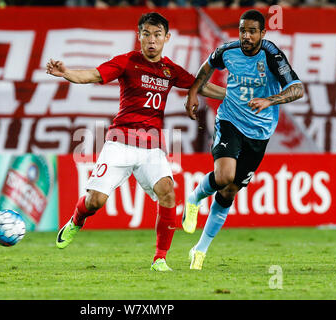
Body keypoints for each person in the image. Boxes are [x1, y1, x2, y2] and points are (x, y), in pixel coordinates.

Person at [46, 12, 225, 271]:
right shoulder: (128, 61)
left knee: (168, 193)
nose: (151, 40)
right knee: (95, 201)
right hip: (119, 143)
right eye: (146, 34)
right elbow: (93, 76)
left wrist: (235, 96)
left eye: (157, 35)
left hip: (151, 148)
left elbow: (202, 86)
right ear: (138, 35)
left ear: (167, 38)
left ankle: (159, 259)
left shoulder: (170, 70)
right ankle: (76, 220)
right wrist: (66, 73)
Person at [182, 9, 304, 270]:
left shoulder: (272, 55)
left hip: (260, 132)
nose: (246, 36)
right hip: (230, 120)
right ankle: (194, 198)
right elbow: (206, 69)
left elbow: (297, 88)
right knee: (224, 175)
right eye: (242, 30)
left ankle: (199, 250)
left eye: (251, 31)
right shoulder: (228, 50)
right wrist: (193, 93)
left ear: (262, 33)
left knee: (229, 191)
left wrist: (269, 100)